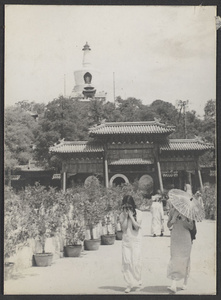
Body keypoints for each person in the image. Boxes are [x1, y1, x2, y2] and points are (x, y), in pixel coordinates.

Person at [167, 205, 194, 293]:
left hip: (185, 238)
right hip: (175, 237)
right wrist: (173, 219)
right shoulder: (172, 211)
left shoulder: (188, 211)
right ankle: (174, 283)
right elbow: (168, 225)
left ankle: (185, 281)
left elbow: (191, 227)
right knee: (175, 258)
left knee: (185, 259)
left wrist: (184, 219)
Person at [119, 195, 142, 293]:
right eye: (125, 207)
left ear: (133, 206)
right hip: (126, 241)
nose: (127, 209)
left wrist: (131, 217)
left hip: (136, 241)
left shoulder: (139, 213)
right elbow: (123, 229)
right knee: (126, 262)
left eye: (129, 207)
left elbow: (137, 227)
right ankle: (129, 283)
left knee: (135, 262)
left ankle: (137, 279)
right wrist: (125, 217)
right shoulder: (121, 215)